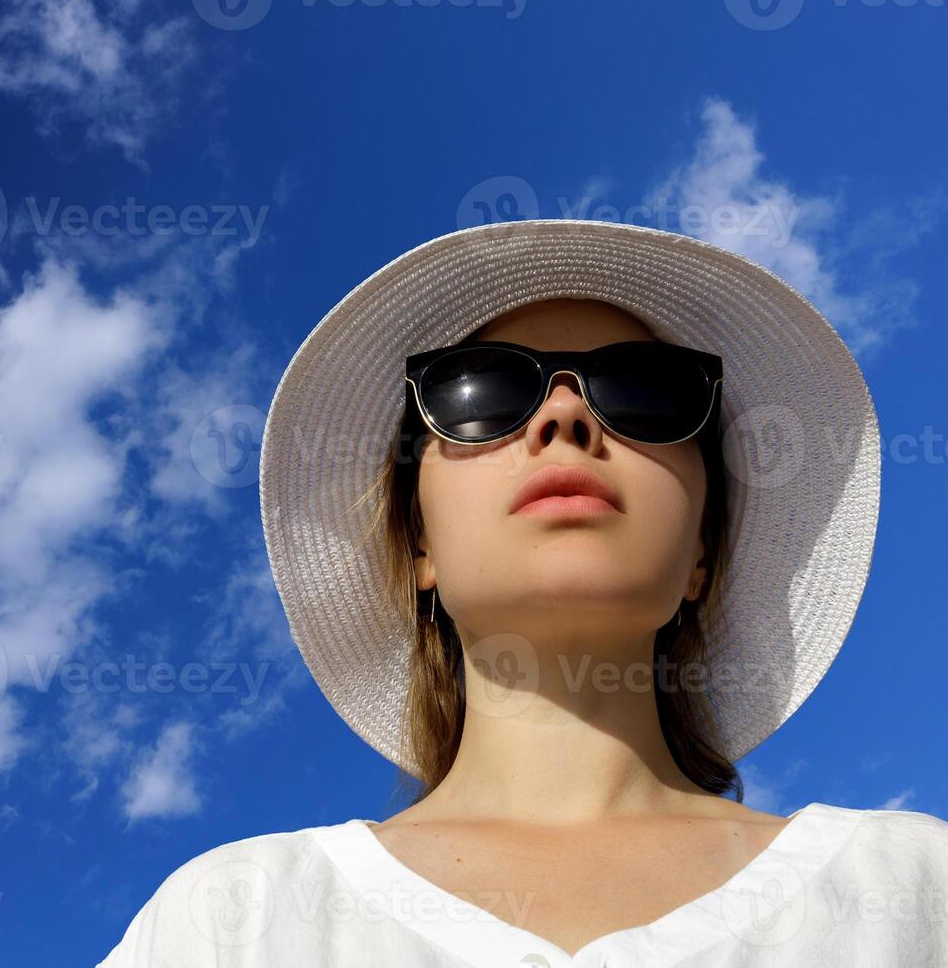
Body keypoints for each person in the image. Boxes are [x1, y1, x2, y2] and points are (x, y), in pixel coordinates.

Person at [96, 220, 948, 966]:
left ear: (701, 557)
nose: (565, 418)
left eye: (648, 391)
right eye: (481, 391)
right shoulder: (225, 924)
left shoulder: (916, 888)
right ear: (419, 545)